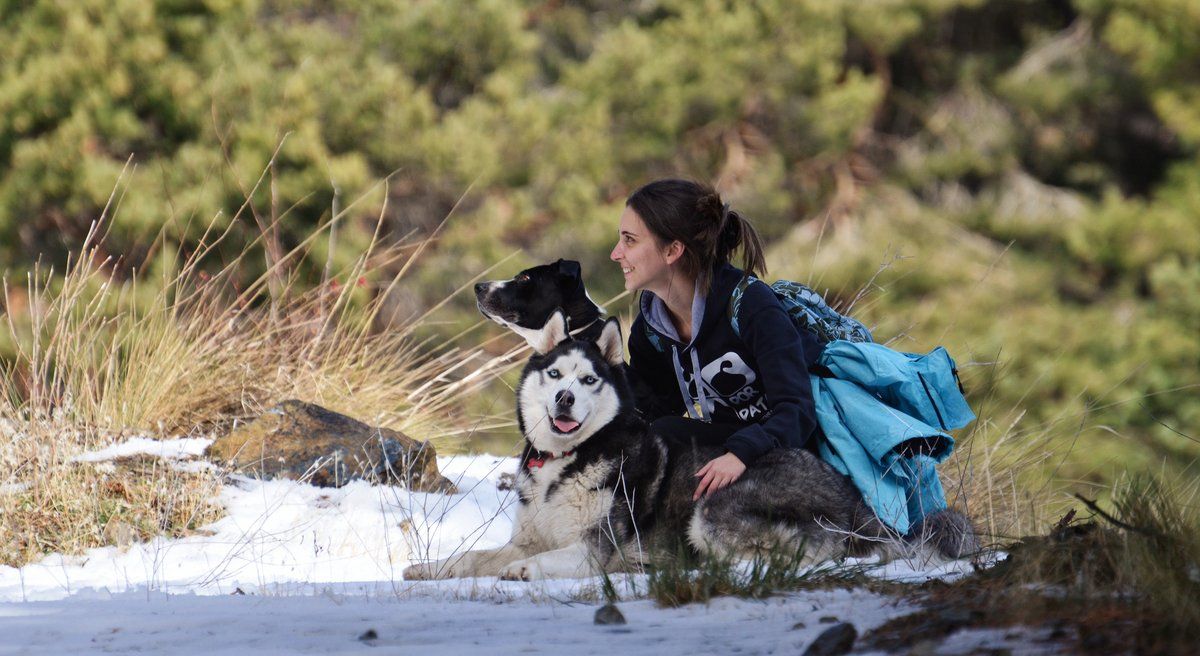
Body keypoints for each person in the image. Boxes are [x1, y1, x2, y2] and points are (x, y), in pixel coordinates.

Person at [610, 178, 826, 502]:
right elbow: (649, 411)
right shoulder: (651, 330)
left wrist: (741, 454)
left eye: (629, 240)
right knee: (661, 434)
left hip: (794, 447)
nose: (616, 254)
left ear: (672, 250)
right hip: (732, 442)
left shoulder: (750, 305)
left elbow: (797, 409)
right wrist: (595, 353)